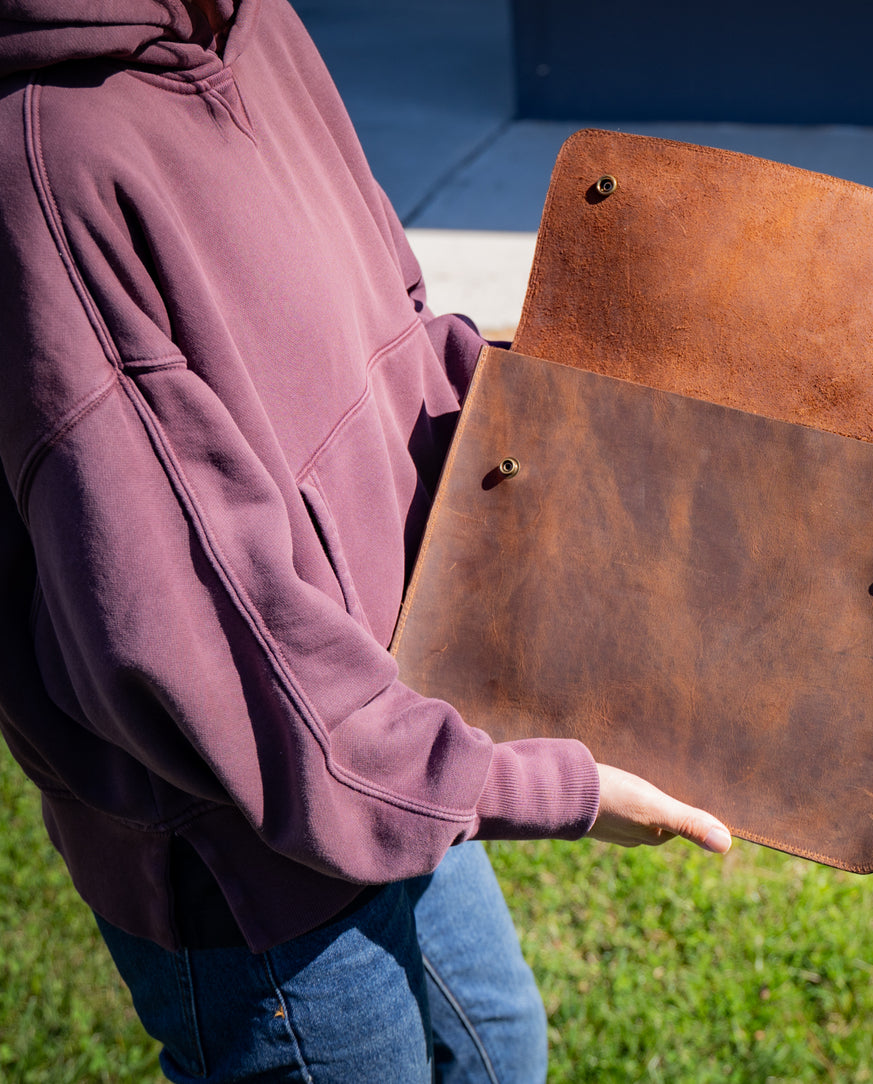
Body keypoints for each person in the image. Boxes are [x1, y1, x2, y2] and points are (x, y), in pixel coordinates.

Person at [0, 0, 730, 1079]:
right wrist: (537, 790)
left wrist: (579, 442)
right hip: (250, 857)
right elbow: (195, 616)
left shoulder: (260, 31)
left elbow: (393, 333)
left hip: (396, 729)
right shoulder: (48, 159)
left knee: (498, 1051)